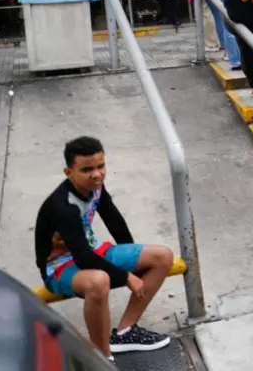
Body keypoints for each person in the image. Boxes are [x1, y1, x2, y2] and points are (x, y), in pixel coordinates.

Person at [35, 137, 173, 362]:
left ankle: (125, 332)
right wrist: (126, 275)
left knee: (161, 256)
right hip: (59, 266)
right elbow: (82, 257)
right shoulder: (63, 206)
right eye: (87, 169)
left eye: (100, 166)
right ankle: (102, 358)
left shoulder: (95, 187)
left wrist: (134, 256)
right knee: (98, 281)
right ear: (69, 172)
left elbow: (113, 220)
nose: (97, 174)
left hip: (92, 251)